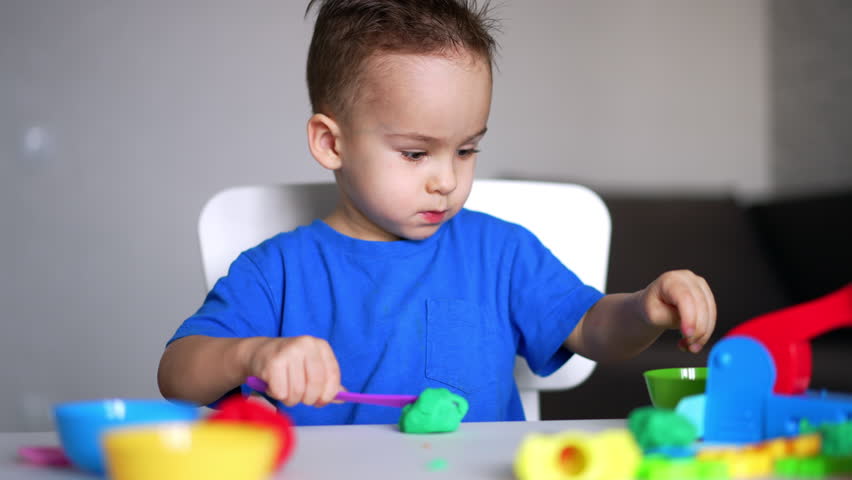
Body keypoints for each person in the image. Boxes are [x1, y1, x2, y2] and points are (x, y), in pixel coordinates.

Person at [158, 0, 716, 425]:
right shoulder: (276, 271)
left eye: (467, 149)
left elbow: (594, 329)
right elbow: (177, 373)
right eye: (415, 153)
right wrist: (253, 353)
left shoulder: (501, 253)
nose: (447, 179)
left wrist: (646, 309)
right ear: (332, 144)